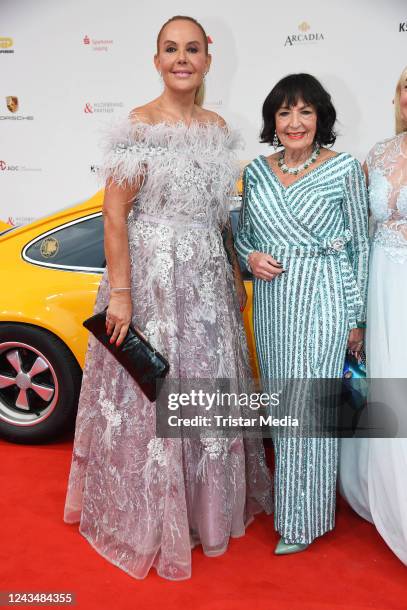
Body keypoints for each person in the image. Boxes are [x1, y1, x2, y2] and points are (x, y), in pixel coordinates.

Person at [63, 15, 272, 581]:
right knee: (154, 394)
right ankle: (152, 517)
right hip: (151, 283)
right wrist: (123, 296)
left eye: (193, 49)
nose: (182, 58)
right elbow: (114, 215)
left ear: (207, 60)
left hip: (207, 283)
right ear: (156, 60)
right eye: (171, 49)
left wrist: (232, 275)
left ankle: (205, 513)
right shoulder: (138, 126)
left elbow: (218, 217)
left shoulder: (218, 127)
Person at [235, 73, 369, 554]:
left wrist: (357, 318)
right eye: (285, 112)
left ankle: (304, 520)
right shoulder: (255, 171)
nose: (295, 122)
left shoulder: (345, 169)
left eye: (305, 112)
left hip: (324, 296)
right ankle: (296, 501)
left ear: (321, 118)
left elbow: (360, 247)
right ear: (273, 119)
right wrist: (250, 258)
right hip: (273, 306)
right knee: (282, 405)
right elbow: (243, 234)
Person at [339, 66, 407, 565]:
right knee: (386, 381)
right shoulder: (377, 155)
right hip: (382, 281)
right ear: (396, 94)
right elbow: (355, 231)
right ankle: (384, 484)